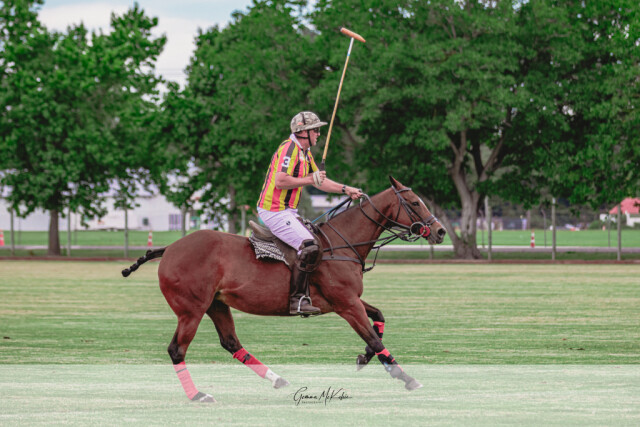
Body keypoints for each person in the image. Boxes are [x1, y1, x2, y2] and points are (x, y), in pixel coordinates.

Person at [257, 111, 363, 315]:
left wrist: (345, 189)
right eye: (315, 130)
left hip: (288, 211)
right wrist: (309, 180)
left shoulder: (305, 152)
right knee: (310, 245)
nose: (318, 134)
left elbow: (319, 181)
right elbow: (280, 181)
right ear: (303, 132)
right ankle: (297, 300)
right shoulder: (289, 149)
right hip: (274, 209)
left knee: (318, 240)